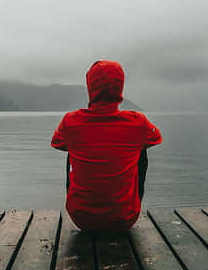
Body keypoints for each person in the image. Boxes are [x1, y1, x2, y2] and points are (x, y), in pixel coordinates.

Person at [51, 60, 162, 231]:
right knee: (141, 148)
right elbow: (156, 138)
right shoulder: (138, 122)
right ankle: (131, 203)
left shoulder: (70, 121)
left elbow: (57, 143)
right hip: (124, 219)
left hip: (81, 219)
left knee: (70, 148)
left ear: (90, 87)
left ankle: (80, 202)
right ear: (120, 86)